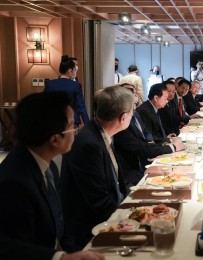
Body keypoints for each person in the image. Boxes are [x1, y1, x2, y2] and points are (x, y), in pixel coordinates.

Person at [0, 92, 103, 260]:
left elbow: (60, 223)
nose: (76, 132)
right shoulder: (15, 182)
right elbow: (13, 248)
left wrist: (74, 252)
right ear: (55, 140)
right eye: (72, 126)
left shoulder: (48, 164)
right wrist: (62, 257)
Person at [60, 86, 135, 248]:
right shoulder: (89, 144)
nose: (132, 117)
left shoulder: (101, 133)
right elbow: (99, 202)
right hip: (92, 232)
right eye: (132, 113)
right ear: (123, 118)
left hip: (110, 215)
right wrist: (133, 217)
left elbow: (115, 184)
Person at [114, 83, 185, 187]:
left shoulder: (135, 113)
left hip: (145, 156)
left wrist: (156, 142)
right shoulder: (123, 123)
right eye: (132, 95)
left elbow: (146, 132)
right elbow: (139, 147)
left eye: (135, 94)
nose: (136, 97)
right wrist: (171, 146)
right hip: (134, 171)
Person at [44, 55, 89, 127]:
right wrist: (88, 125)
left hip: (54, 121)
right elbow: (81, 107)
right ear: (70, 71)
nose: (75, 72)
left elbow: (45, 104)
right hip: (71, 121)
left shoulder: (49, 84)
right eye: (75, 70)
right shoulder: (76, 85)